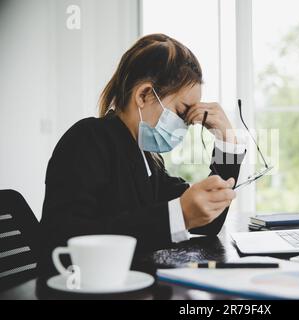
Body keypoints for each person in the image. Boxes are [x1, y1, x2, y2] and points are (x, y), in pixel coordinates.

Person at [38, 34, 246, 276]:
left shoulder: (147, 158)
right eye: (182, 112)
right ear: (144, 95)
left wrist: (226, 141)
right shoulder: (88, 139)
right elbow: (65, 239)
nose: (188, 125)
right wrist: (178, 216)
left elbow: (207, 222)